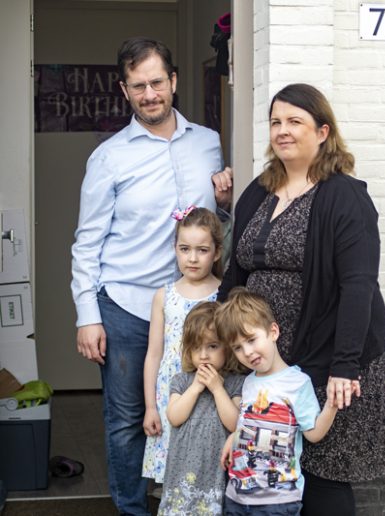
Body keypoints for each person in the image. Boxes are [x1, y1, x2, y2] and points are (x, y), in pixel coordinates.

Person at [71, 36, 233, 516]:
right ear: (125, 90)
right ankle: (133, 510)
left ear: (174, 81)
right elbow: (87, 242)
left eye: (157, 82)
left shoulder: (208, 142)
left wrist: (224, 206)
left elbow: (213, 230)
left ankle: (189, 504)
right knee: (127, 421)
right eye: (138, 86)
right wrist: (87, 315)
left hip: (197, 310)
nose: (150, 94)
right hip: (127, 306)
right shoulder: (108, 157)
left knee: (198, 409)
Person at [218, 83, 385, 516]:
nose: (282, 131)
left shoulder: (344, 196)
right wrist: (218, 336)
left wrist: (344, 366)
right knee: (270, 465)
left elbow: (359, 286)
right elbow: (236, 271)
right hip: (265, 354)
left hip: (328, 354)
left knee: (321, 471)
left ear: (322, 131)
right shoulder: (260, 190)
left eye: (294, 121)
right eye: (276, 122)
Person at [216, 288, 338, 515]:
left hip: (278, 499)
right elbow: (251, 422)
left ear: (273, 332)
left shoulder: (297, 383)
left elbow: (313, 433)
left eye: (251, 340)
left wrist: (331, 405)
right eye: (238, 348)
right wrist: (234, 437)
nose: (247, 352)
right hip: (238, 494)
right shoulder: (249, 382)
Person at [142, 207, 223, 484]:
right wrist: (151, 406)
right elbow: (154, 355)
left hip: (209, 391)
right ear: (175, 249)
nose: (192, 258)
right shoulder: (164, 296)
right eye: (184, 248)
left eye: (202, 250)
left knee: (205, 472)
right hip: (171, 394)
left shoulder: (223, 295)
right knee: (174, 475)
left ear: (217, 252)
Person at [157, 301, 245, 515]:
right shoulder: (182, 381)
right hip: (182, 467)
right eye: (197, 347)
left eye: (212, 346)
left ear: (228, 347)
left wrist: (217, 389)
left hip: (214, 469)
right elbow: (174, 417)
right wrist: (196, 387)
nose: (204, 355)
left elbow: (234, 423)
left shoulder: (235, 383)